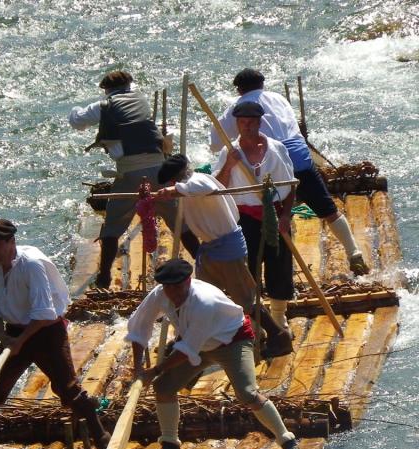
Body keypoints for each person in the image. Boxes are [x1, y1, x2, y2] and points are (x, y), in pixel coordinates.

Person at [0, 219, 111, 449]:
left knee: (68, 389)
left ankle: (102, 439)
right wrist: (6, 339)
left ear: (11, 242)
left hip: (46, 331)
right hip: (14, 332)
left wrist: (21, 340)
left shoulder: (32, 265)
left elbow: (45, 312)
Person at [126, 258, 301, 449]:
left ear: (188, 281)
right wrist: (137, 369)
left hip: (232, 341)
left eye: (178, 287)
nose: (173, 293)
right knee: (163, 388)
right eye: (168, 288)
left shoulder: (203, 302)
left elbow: (187, 348)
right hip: (198, 343)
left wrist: (154, 370)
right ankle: (170, 447)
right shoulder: (159, 295)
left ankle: (287, 440)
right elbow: (138, 329)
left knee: (247, 394)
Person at [210, 68, 369, 276]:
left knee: (271, 208)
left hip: (272, 161)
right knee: (328, 209)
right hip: (300, 157)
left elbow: (215, 143)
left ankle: (262, 268)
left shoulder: (237, 107)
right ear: (262, 84)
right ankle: (353, 250)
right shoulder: (279, 98)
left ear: (239, 90)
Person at [154, 153, 292, 358]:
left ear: (177, 178)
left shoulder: (197, 181)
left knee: (246, 299)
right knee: (199, 299)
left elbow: (197, 188)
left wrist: (170, 191)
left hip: (228, 250)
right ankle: (188, 340)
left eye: (174, 182)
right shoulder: (187, 189)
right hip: (211, 251)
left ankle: (279, 337)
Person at [69, 70, 199, 288]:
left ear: (106, 89)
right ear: (129, 86)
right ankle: (204, 261)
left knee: (113, 225)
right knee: (178, 222)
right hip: (160, 168)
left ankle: (104, 277)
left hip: (130, 172)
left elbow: (77, 121)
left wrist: (74, 108)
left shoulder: (104, 106)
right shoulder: (140, 100)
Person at [213, 101, 295, 336]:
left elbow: (291, 185)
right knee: (246, 272)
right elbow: (219, 186)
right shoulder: (229, 152)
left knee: (279, 264)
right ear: (237, 124)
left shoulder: (277, 149)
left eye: (251, 122)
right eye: (242, 122)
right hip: (244, 217)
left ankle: (279, 319)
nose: (247, 127)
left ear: (260, 123)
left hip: (275, 214)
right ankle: (256, 323)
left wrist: (286, 215)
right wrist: (229, 165)